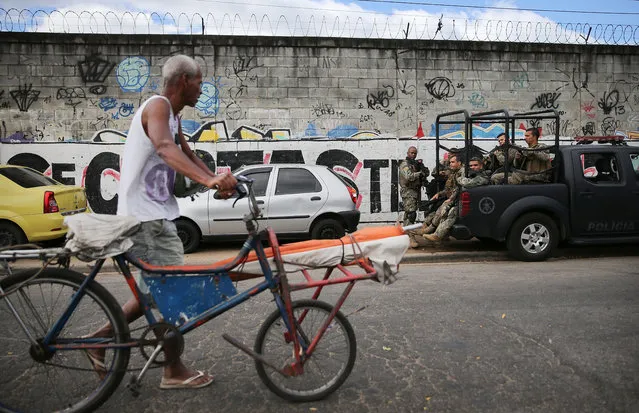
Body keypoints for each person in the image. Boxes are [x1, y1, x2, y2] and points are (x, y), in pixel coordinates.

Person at [87, 55, 237, 389]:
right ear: (183, 80)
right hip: (145, 219)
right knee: (168, 292)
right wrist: (211, 182)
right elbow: (166, 149)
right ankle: (173, 371)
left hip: (156, 215)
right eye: (199, 82)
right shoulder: (157, 107)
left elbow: (186, 153)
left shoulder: (173, 116)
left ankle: (100, 340)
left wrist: (217, 179)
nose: (202, 88)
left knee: (152, 293)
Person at [423, 156, 489, 243]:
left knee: (452, 211)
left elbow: (467, 183)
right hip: (464, 201)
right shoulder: (471, 175)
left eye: (475, 165)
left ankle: (438, 235)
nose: (473, 167)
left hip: (475, 204)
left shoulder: (482, 177)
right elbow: (458, 189)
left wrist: (459, 178)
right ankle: (438, 233)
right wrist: (452, 198)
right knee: (446, 209)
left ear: (481, 166)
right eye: (471, 166)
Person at [421, 154, 463, 237]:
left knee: (444, 211)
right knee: (435, 209)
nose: (450, 164)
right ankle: (429, 228)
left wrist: (451, 198)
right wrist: (439, 194)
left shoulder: (461, 172)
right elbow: (449, 189)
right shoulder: (453, 173)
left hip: (456, 199)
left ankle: (436, 233)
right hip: (449, 197)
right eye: (450, 162)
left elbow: (459, 188)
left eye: (453, 162)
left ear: (459, 163)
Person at [399, 146, 428, 227]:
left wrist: (423, 169)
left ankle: (406, 232)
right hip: (408, 191)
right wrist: (420, 173)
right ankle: (409, 233)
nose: (413, 155)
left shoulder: (415, 164)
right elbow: (409, 176)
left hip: (415, 191)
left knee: (410, 213)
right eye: (412, 153)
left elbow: (426, 173)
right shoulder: (405, 164)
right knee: (411, 214)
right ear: (408, 153)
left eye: (415, 153)